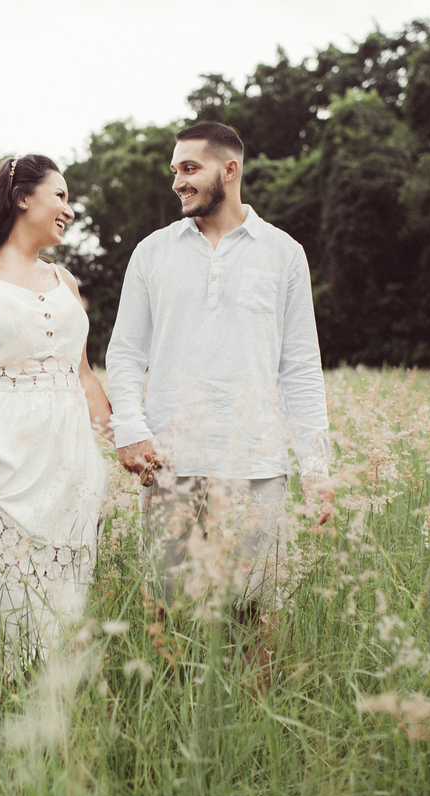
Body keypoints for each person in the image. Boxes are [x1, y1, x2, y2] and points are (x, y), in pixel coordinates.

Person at [105, 122, 333, 627]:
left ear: (230, 170)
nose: (177, 182)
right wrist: (131, 432)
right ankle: (169, 708)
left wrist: (315, 465)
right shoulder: (152, 252)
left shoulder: (284, 254)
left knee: (256, 612)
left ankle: (255, 707)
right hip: (170, 459)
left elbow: (300, 367)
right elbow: (124, 353)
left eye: (189, 169)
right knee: (166, 610)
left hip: (257, 460)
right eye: (174, 171)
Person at [0, 154, 111, 663]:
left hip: (70, 456)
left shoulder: (67, 283)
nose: (69, 210)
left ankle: (49, 692)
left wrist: (126, 441)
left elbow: (80, 372)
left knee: (62, 590)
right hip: (1, 447)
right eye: (60, 196)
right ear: (21, 197)